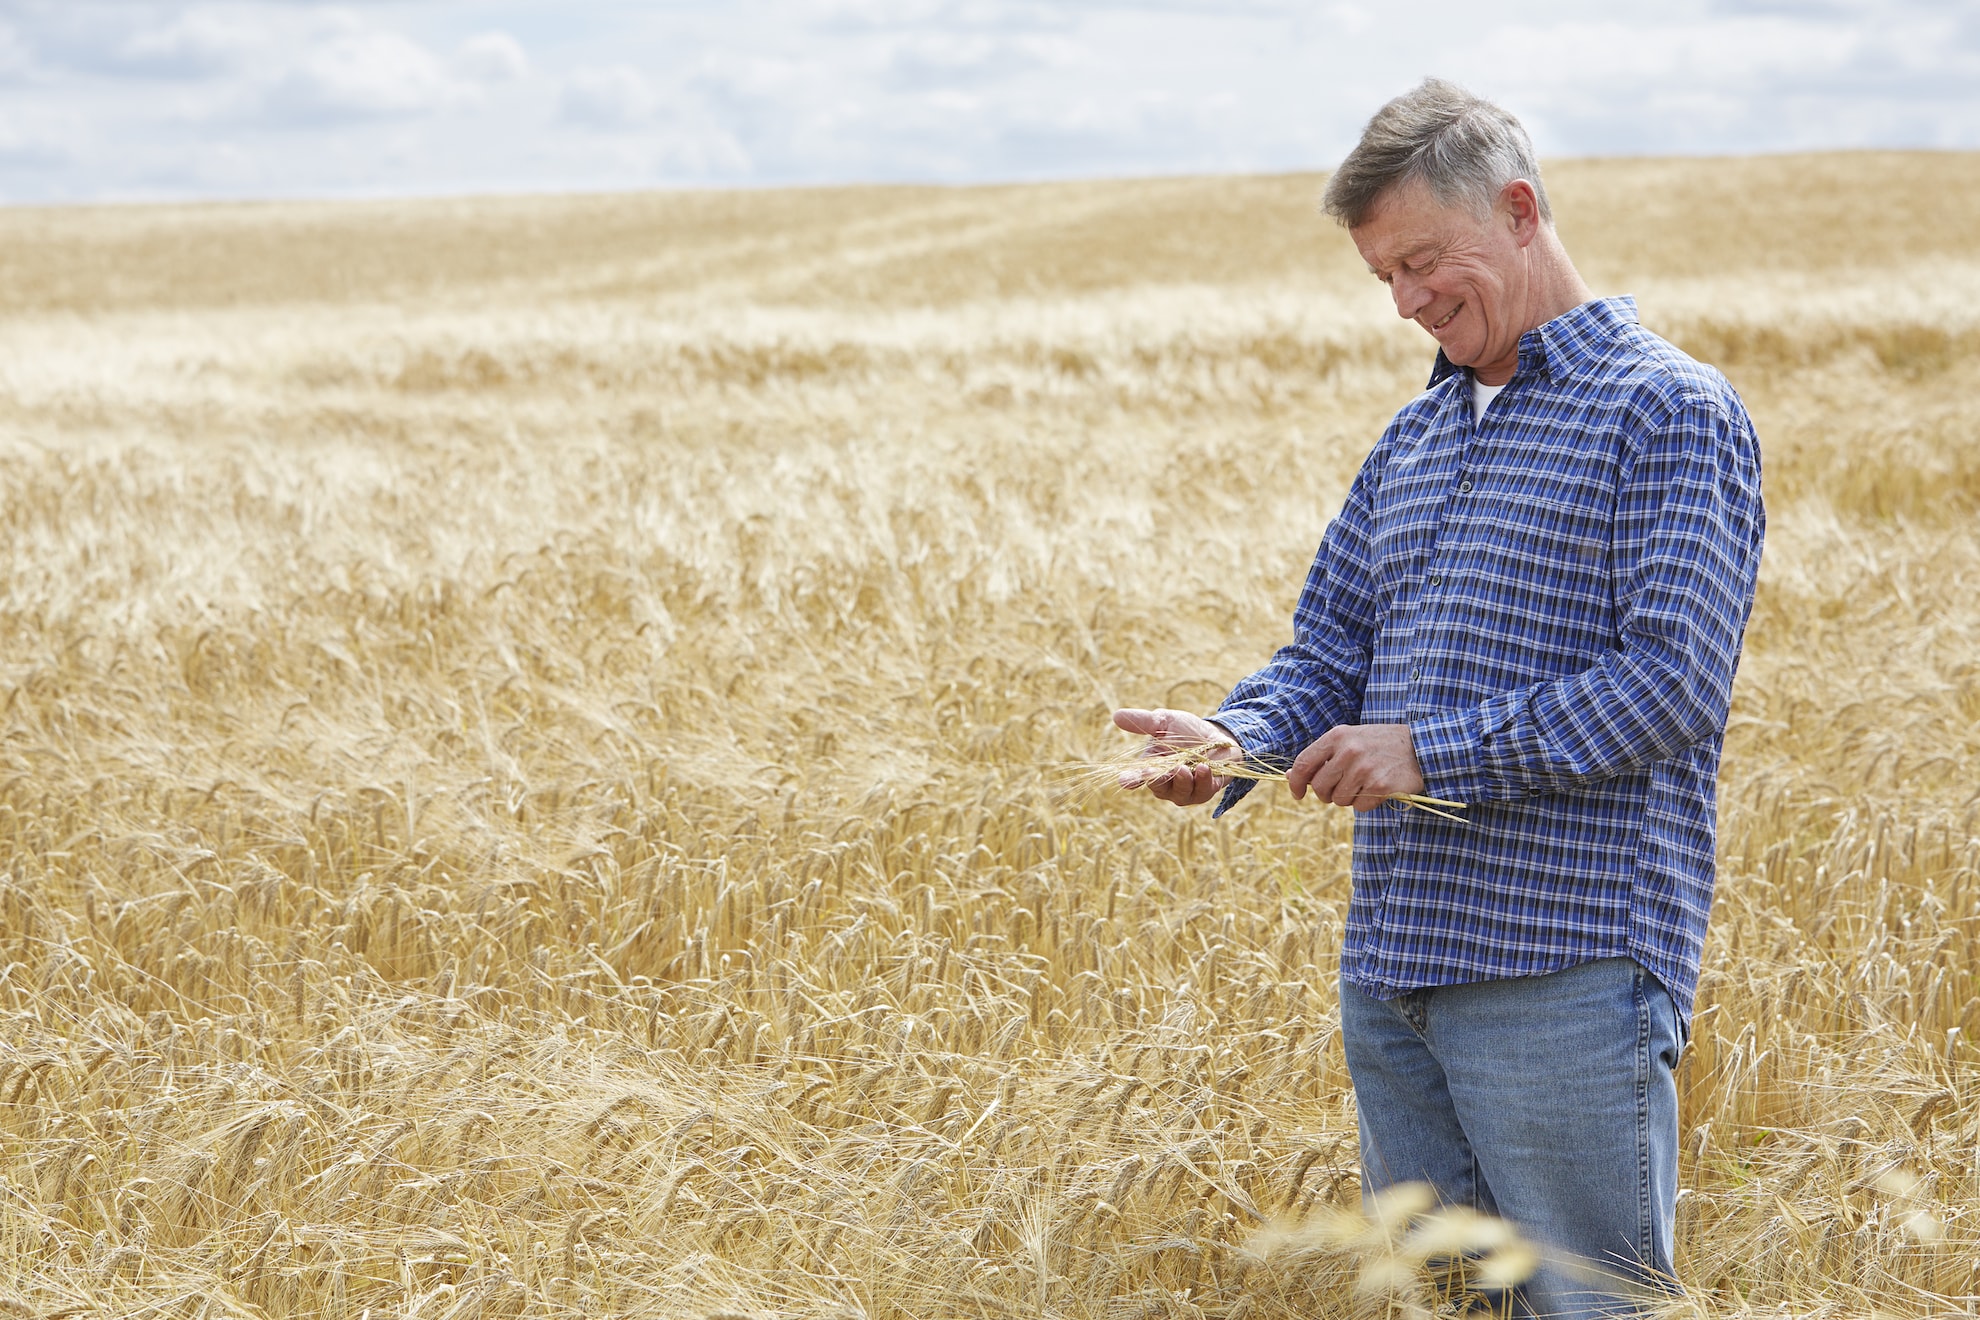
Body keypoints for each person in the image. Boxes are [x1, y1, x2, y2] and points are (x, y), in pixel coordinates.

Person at [1114, 78, 1764, 1318]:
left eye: (1423, 262)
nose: (1407, 301)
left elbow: (1672, 684)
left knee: (1592, 1309)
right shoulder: (1412, 441)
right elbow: (1329, 657)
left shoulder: (1668, 413)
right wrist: (1235, 737)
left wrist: (1430, 753)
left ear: (1519, 209)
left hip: (1562, 972)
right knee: (1434, 1310)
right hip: (1397, 964)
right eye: (1384, 280)